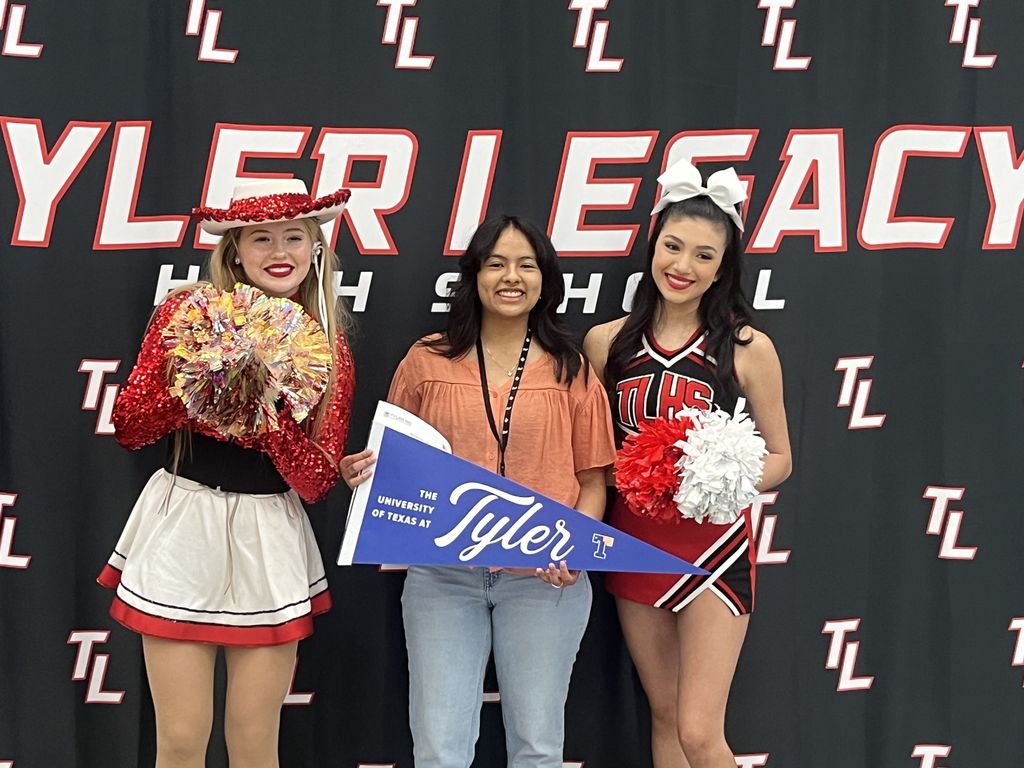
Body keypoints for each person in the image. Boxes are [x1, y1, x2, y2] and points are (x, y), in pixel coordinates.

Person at [98, 179, 355, 768]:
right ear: (233, 249)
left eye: (294, 235)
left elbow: (315, 481)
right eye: (259, 238)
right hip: (183, 524)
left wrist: (262, 411)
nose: (278, 250)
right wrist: (211, 381)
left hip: (270, 538)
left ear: (316, 247)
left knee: (254, 740)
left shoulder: (329, 345)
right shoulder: (187, 312)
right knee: (183, 740)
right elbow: (131, 427)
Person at [342, 214, 616, 768]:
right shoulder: (427, 360)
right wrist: (364, 473)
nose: (510, 277)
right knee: (440, 748)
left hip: (544, 580)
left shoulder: (573, 371)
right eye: (496, 264)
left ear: (545, 279)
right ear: (474, 275)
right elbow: (393, 460)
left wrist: (575, 548)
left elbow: (592, 481)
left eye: (525, 264)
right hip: (443, 579)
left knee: (537, 747)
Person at [584, 160, 792, 768]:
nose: (684, 266)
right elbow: (595, 458)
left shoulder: (748, 347)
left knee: (702, 732)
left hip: (713, 550)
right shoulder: (607, 342)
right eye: (673, 246)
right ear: (653, 243)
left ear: (725, 267)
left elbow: (780, 459)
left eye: (705, 256)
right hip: (633, 543)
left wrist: (718, 473)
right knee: (668, 717)